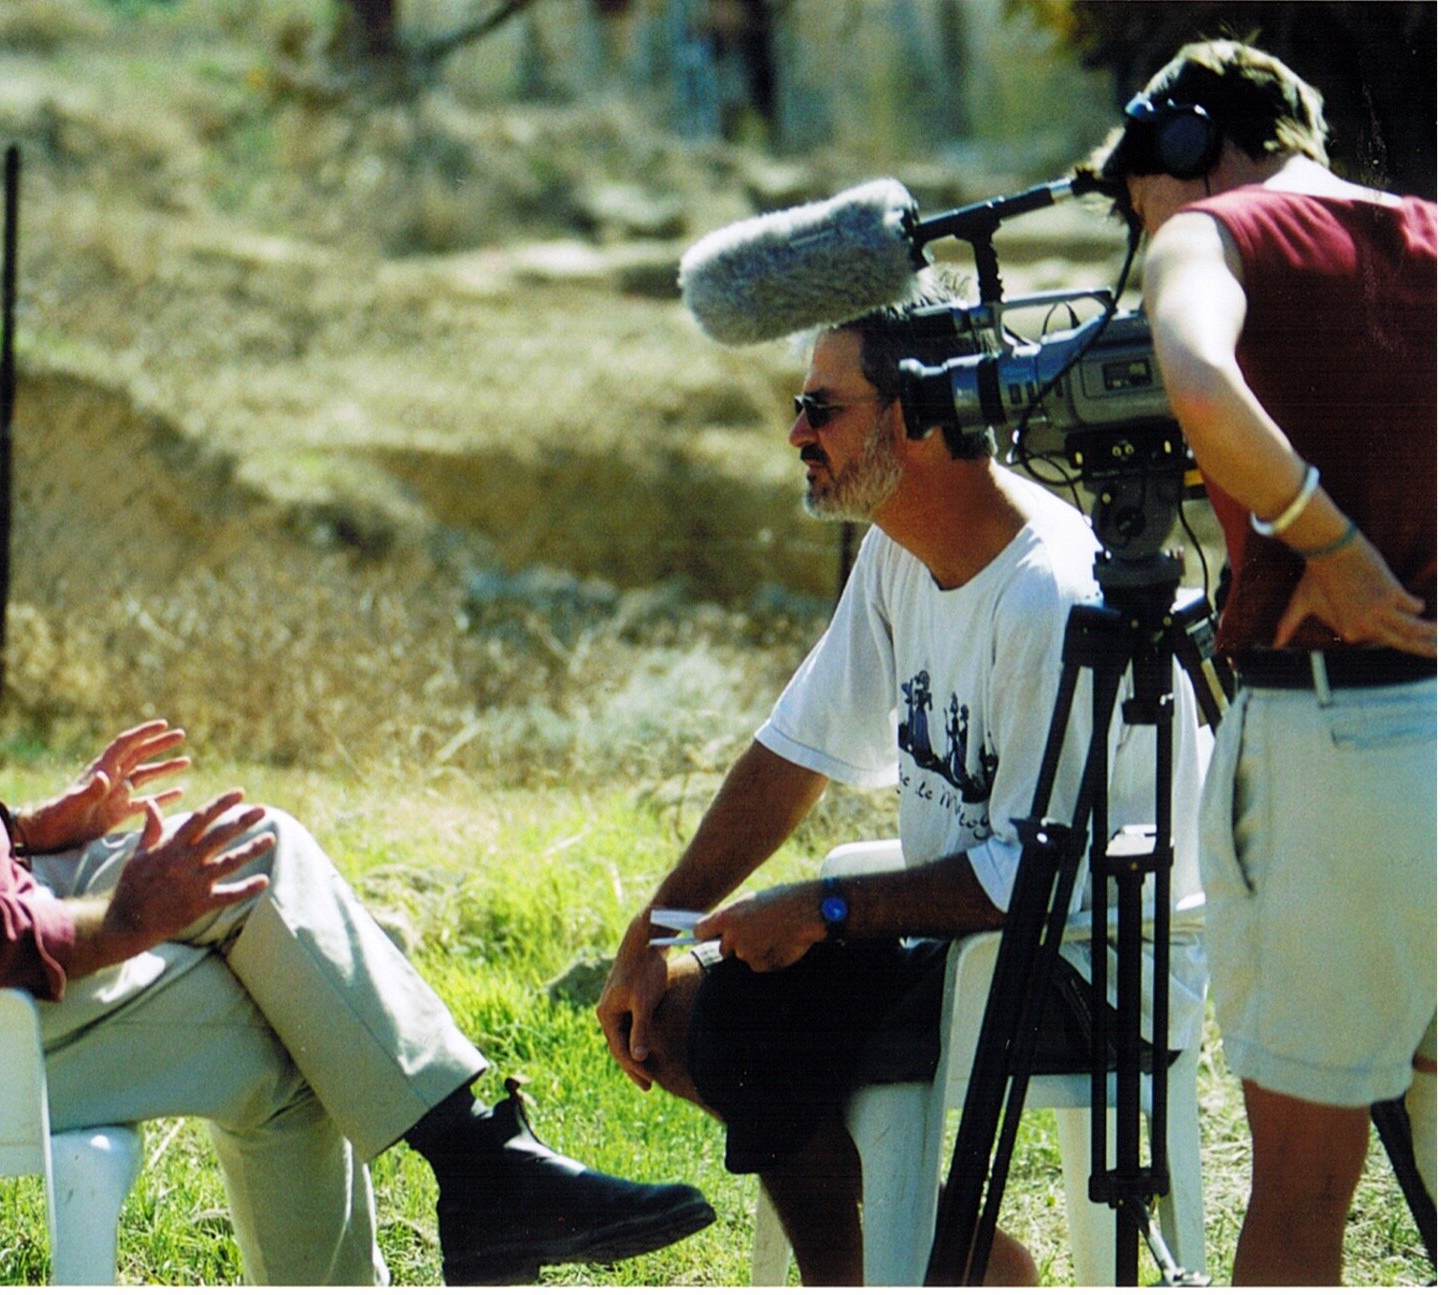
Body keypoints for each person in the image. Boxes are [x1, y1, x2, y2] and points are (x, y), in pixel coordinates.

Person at [0, 346, 716, 1286]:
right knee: (293, 1034)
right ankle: (486, 1179)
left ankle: (482, 1161)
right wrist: (120, 918)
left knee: (251, 843)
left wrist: (32, 827)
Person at [594, 282, 1210, 1284]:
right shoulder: (897, 553)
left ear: (917, 416)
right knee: (672, 1007)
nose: (795, 431)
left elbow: (1037, 876)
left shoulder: (1047, 593)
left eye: (820, 408)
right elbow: (791, 753)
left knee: (755, 1016)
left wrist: (824, 907)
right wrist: (655, 927)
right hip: (974, 927)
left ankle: (875, 1270)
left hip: (1092, 958)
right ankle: (956, 1259)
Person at [1086, 39, 1436, 1285]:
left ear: (1190, 145)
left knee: (1297, 1193)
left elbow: (1190, 366)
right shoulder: (1425, 231)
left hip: (1337, 743)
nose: (1151, 224)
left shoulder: (1214, 233)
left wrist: (1321, 538)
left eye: (1146, 198)